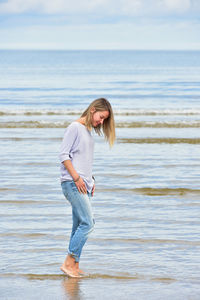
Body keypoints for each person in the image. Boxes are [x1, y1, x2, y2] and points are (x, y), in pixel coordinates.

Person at [59, 98, 115, 277]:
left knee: (78, 225)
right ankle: (68, 261)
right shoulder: (75, 127)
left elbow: (83, 160)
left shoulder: (86, 131)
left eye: (105, 119)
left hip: (83, 185)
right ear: (92, 110)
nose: (101, 122)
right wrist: (77, 178)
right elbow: (63, 155)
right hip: (73, 183)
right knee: (88, 223)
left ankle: (74, 266)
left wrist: (91, 179)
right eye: (101, 117)